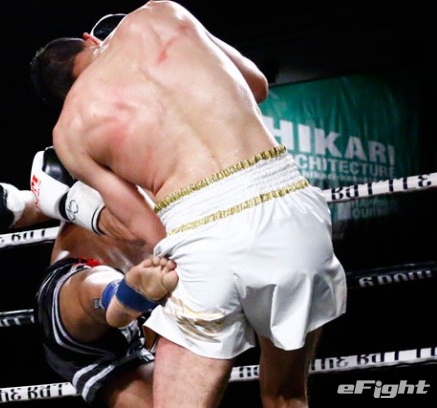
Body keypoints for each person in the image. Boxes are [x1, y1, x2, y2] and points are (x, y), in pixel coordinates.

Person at [30, 2, 347, 407]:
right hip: (293, 208)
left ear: (63, 99)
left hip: (203, 232)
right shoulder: (160, 13)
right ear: (91, 39)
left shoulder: (71, 130)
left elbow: (150, 232)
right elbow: (256, 85)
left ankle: (123, 302)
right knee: (286, 396)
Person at [0, 146, 178, 407]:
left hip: (138, 323)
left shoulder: (185, 185)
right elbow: (39, 200)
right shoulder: (96, 171)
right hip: (77, 288)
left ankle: (127, 297)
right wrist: (12, 205)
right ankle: (119, 297)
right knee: (94, 282)